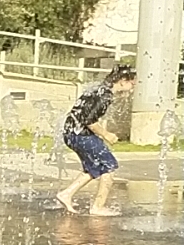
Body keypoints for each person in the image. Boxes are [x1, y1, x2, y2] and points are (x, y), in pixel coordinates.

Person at [56, 64, 137, 215]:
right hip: (80, 135)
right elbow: (89, 120)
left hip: (71, 133)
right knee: (109, 165)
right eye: (132, 84)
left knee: (94, 167)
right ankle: (98, 207)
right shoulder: (105, 95)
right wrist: (106, 134)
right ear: (122, 81)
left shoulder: (98, 89)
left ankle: (66, 194)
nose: (132, 89)